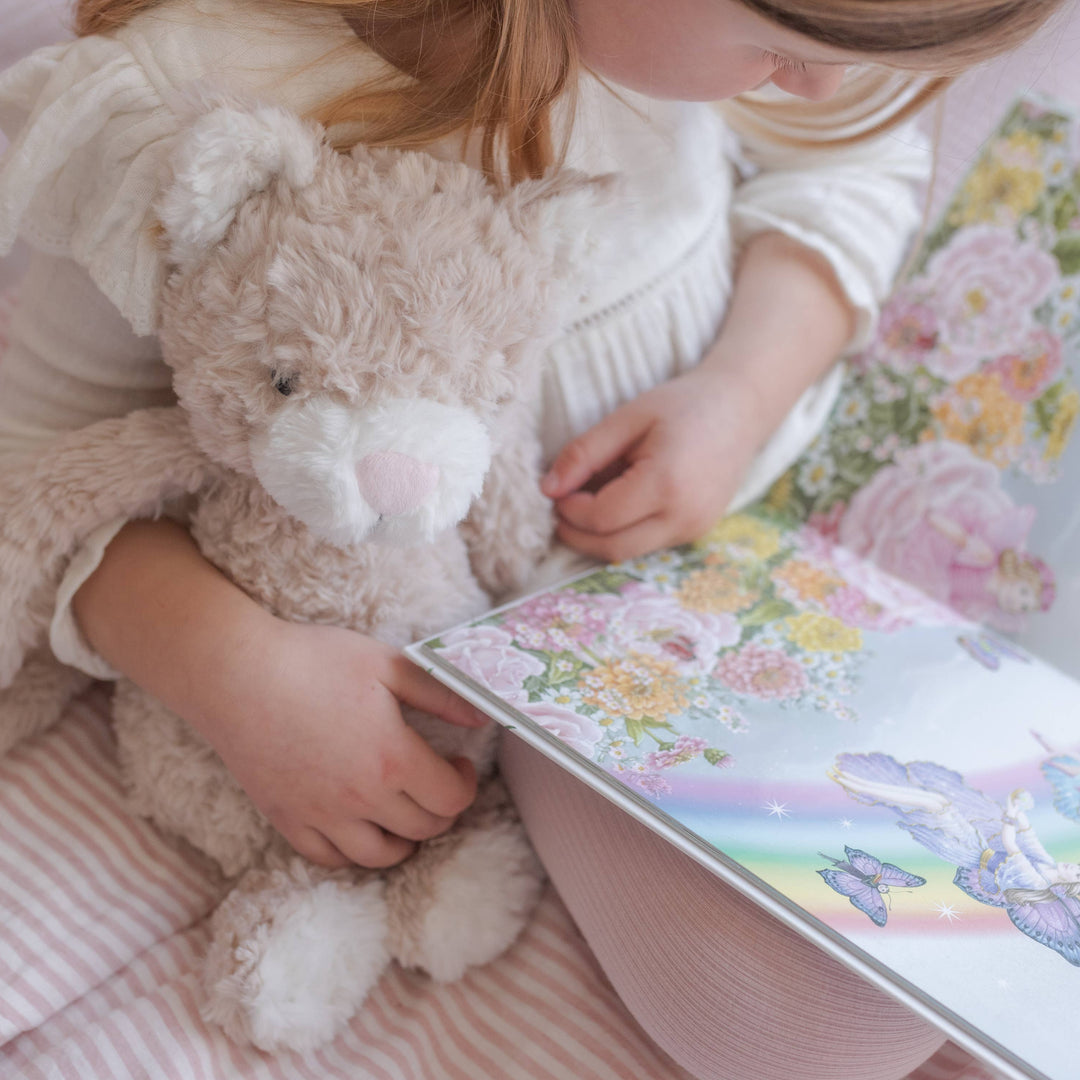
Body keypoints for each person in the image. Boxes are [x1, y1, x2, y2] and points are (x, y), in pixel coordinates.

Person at [0, 0, 1064, 1076]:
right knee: (823, 1031)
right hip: (494, 653)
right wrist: (231, 667)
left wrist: (741, 393)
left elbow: (851, 167)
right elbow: (33, 462)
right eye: (784, 47)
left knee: (989, 948)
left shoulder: (684, 54)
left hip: (759, 556)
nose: (819, 87)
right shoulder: (194, 108)